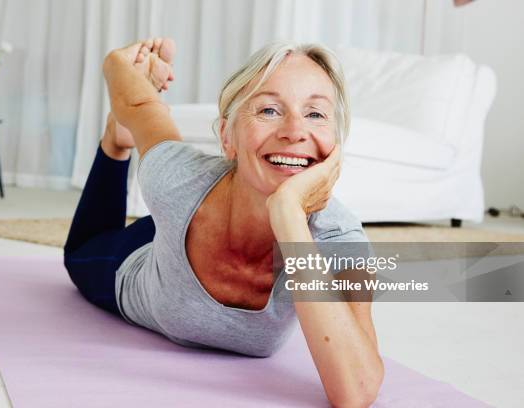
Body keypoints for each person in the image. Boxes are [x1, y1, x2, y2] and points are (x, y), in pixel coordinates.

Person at [64, 38, 384, 407]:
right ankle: (116, 139)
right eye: (268, 110)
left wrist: (289, 217)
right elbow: (137, 101)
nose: (295, 131)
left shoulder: (339, 237)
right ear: (227, 138)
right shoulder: (178, 179)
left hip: (192, 219)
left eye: (315, 114)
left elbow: (357, 392)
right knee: (78, 256)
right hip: (149, 251)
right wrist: (122, 62)